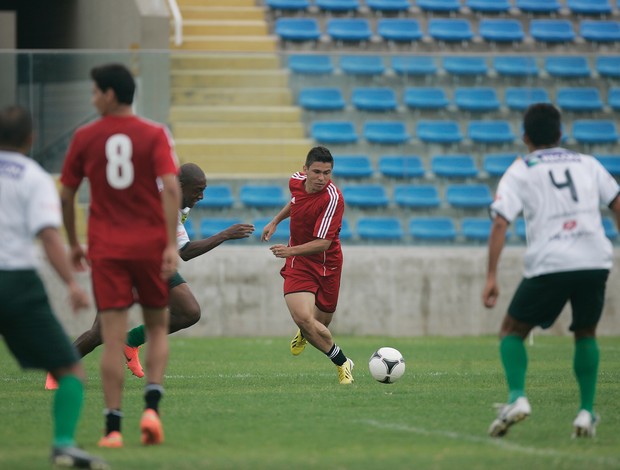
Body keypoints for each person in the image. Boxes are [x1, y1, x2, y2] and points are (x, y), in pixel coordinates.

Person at [46, 162, 255, 388]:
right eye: (198, 191)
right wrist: (224, 234)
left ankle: (131, 341)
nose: (202, 196)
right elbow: (186, 252)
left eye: (203, 190)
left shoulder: (175, 194)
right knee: (100, 332)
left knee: (189, 312)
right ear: (181, 185)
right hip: (122, 261)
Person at [60, 63, 181, 448]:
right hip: (147, 246)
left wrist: (74, 242)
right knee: (158, 327)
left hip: (107, 250)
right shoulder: (155, 134)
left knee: (111, 340)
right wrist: (168, 243)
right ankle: (151, 408)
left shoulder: (85, 137)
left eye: (95, 91)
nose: (92, 98)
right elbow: (173, 190)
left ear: (110, 94)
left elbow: (66, 193)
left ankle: (112, 430)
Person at [482, 103, 620, 438]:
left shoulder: (522, 168)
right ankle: (586, 412)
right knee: (585, 333)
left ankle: (517, 398)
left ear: (525, 137)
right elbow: (617, 204)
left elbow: (501, 222)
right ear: (561, 134)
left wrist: (491, 276)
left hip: (552, 261)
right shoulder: (587, 163)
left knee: (511, 331)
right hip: (594, 259)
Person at [0, 105, 108, 469]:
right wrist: (72, 284)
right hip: (16, 283)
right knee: (70, 371)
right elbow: (48, 236)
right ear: (31, 139)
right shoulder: (33, 177)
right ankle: (63, 444)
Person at [261, 146, 354, 384]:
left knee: (319, 325)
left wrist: (289, 250)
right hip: (299, 262)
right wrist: (275, 221)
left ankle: (305, 333)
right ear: (305, 170)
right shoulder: (295, 181)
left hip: (327, 264)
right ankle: (343, 362)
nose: (322, 178)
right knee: (304, 317)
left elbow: (323, 243)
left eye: (327, 172)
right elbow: (295, 202)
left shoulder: (333, 198)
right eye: (316, 172)